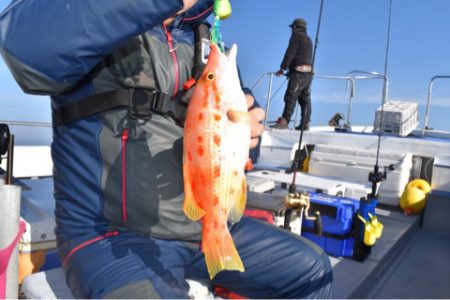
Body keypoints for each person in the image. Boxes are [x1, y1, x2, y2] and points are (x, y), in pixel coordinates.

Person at [0, 1, 333, 298]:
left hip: (203, 224)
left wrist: (249, 127)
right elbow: (22, 46)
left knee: (311, 271)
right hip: (110, 236)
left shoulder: (204, 35)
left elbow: (235, 143)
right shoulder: (94, 16)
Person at [273, 18, 314, 131]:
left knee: (290, 96)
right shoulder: (308, 39)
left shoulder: (296, 36)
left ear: (295, 27)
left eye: (292, 27)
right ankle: (305, 124)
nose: (291, 29)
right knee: (304, 98)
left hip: (299, 73)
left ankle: (284, 122)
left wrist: (282, 68)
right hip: (309, 73)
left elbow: (290, 53)